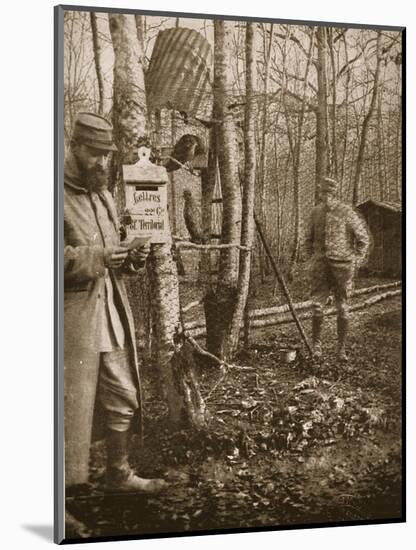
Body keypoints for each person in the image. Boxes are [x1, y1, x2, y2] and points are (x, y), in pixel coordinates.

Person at [64, 112, 167, 534]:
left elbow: (113, 250)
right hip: (70, 321)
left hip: (110, 310)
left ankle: (118, 474)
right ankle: (56, 504)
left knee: (122, 394)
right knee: (65, 412)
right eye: (96, 155)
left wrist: (130, 257)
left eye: (108, 156)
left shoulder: (102, 193)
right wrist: (99, 258)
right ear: (75, 148)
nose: (104, 164)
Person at [305, 177, 370, 362]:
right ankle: (316, 347)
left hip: (343, 266)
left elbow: (363, 238)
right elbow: (307, 239)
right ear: (319, 194)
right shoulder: (315, 212)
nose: (326, 197)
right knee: (317, 305)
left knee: (343, 307)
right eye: (323, 193)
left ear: (335, 194)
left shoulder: (346, 212)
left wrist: (356, 259)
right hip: (320, 267)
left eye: (329, 194)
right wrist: (313, 258)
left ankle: (341, 350)